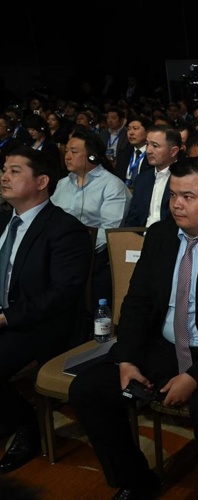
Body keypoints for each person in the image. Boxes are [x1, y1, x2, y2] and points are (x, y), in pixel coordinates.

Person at [70, 156, 198, 499]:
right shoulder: (161, 235)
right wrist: (127, 359)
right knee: (88, 390)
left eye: (188, 196)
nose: (176, 204)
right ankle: (136, 480)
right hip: (164, 344)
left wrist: (194, 376)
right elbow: (137, 302)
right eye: (173, 195)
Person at [0, 148, 92, 473]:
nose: (4, 177)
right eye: (4, 170)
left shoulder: (64, 229)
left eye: (14, 171)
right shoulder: (3, 220)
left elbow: (61, 294)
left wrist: (6, 317)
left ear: (41, 182)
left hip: (42, 322)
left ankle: (27, 423)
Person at [52, 128, 131, 308]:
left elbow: (108, 231)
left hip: (92, 255)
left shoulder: (112, 186)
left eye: (74, 152)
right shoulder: (63, 183)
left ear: (92, 157)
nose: (67, 156)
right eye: (66, 151)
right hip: (57, 250)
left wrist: (73, 249)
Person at [125, 125, 182, 227]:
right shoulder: (142, 179)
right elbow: (132, 218)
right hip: (141, 234)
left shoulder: (184, 178)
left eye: (155, 146)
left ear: (173, 151)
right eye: (147, 144)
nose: (148, 151)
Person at [113, 116, 152, 186]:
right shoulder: (123, 153)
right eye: (129, 129)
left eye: (135, 128)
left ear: (148, 132)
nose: (131, 133)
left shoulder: (153, 154)